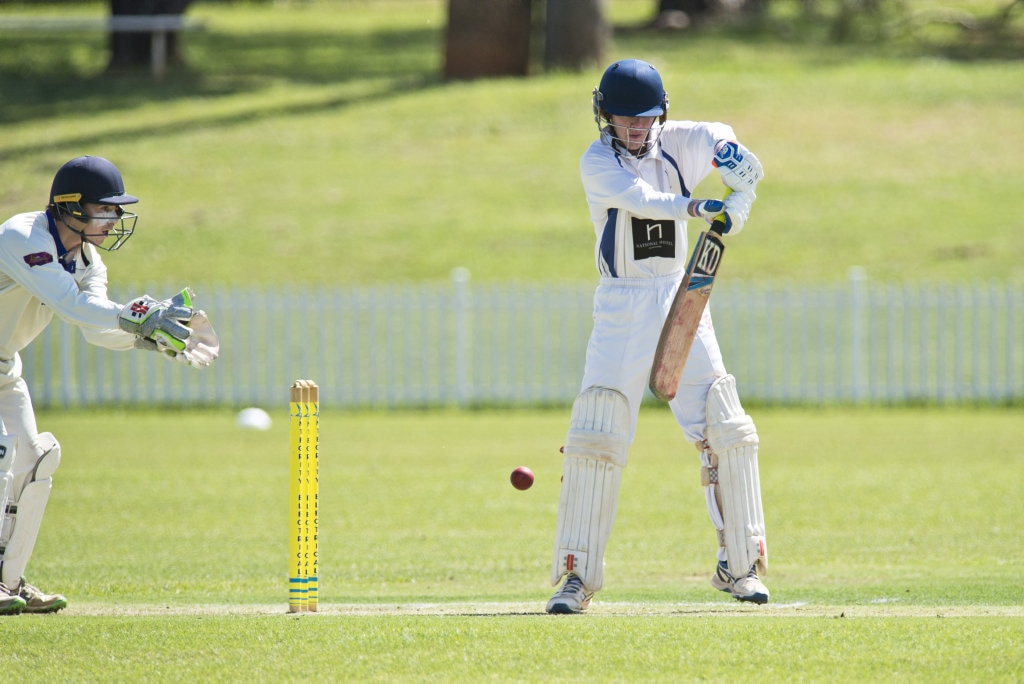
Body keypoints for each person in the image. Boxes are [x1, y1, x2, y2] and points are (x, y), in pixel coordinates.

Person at [546, 59, 768, 614]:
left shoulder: (680, 141)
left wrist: (732, 158)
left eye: (643, 119)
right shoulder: (597, 162)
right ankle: (576, 576)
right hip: (622, 304)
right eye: (623, 120)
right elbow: (644, 201)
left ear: (660, 114)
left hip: (681, 294)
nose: (635, 130)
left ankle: (740, 564)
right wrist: (700, 205)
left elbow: (718, 135)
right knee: (597, 430)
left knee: (724, 424)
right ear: (605, 118)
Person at [0, 156, 219, 615]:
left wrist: (152, 339)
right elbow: (71, 304)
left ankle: (9, 584)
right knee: (2, 456)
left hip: (3, 369)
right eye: (105, 209)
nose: (115, 218)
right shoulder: (21, 239)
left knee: (36, 459)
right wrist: (142, 317)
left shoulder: (87, 259)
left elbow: (97, 326)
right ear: (71, 208)